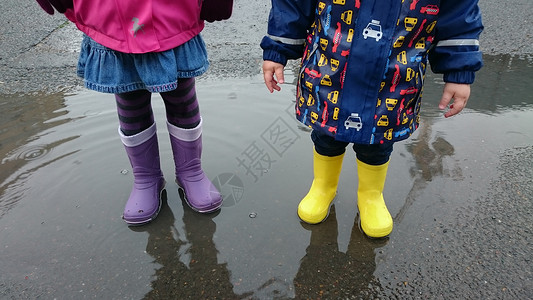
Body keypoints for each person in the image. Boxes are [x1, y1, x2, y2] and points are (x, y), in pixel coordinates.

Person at [261, 0, 483, 238]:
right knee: (326, 132)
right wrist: (278, 48)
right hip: (331, 64)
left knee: (379, 139)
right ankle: (323, 186)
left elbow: (459, 13)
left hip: (396, 72)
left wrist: (459, 70)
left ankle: (371, 195)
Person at [35, 0, 233, 225]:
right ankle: (146, 178)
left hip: (172, 17)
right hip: (110, 22)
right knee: (130, 103)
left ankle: (191, 171)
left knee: (183, 101)